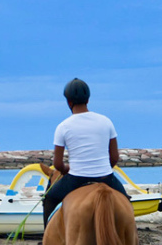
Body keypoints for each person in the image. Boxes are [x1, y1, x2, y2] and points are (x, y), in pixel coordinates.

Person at [42, 78, 129, 228]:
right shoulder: (106, 121)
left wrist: (65, 169)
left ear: (68, 102)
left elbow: (57, 163)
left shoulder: (63, 127)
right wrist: (103, 168)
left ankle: (45, 243)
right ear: (88, 100)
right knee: (126, 202)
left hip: (76, 179)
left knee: (49, 199)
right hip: (105, 177)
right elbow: (114, 157)